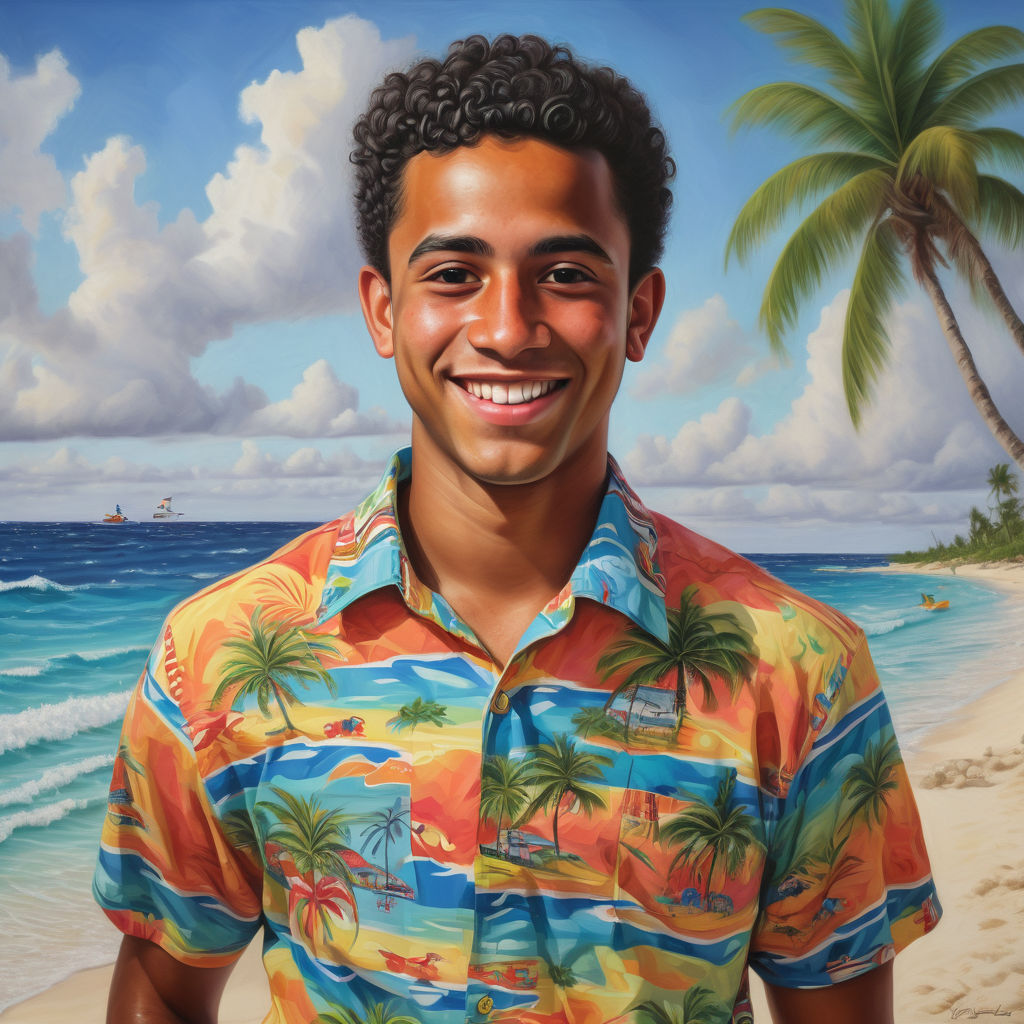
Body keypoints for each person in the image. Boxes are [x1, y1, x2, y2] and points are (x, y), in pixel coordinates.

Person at [95, 33, 940, 1024]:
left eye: (567, 274)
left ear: (638, 310)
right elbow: (160, 991)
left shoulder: (800, 672)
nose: (505, 326)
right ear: (382, 310)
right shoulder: (222, 657)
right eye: (452, 273)